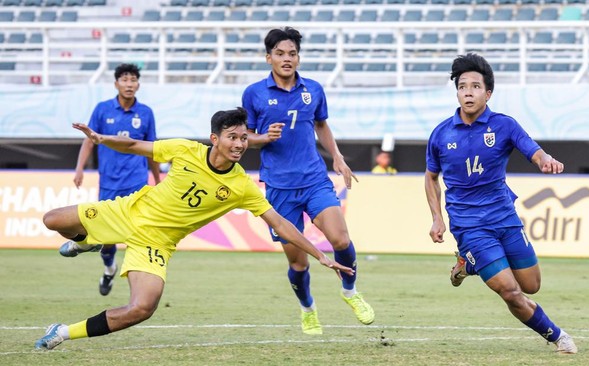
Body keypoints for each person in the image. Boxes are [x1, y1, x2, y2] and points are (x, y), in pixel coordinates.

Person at [34, 108, 353, 351]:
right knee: (54, 221)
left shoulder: (242, 185)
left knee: (142, 308)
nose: (240, 144)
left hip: (156, 243)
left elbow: (281, 223)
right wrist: (101, 139)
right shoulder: (186, 150)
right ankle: (87, 242)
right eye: (233, 137)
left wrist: (320, 255)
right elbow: (134, 143)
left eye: (244, 138)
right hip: (127, 212)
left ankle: (61, 331)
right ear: (215, 138)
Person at [424, 53, 578, 354]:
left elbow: (533, 150)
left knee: (531, 285)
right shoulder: (441, 134)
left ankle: (468, 265)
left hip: (505, 218)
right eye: (462, 86)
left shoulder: (504, 126)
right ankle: (558, 336)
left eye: (475, 86)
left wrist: (545, 160)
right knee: (510, 291)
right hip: (469, 225)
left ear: (488, 93)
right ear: (457, 92)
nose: (468, 92)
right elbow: (430, 178)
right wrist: (437, 218)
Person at [241, 27, 374, 335]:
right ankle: (307, 309)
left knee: (341, 239)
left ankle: (350, 291)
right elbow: (243, 137)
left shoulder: (312, 89)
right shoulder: (254, 94)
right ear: (268, 57)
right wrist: (262, 137)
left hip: (314, 180)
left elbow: (321, 125)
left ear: (298, 57)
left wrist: (338, 158)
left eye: (292, 53)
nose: (287, 59)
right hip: (278, 188)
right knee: (299, 263)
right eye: (280, 53)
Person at [69, 63, 161, 297]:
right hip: (109, 182)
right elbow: (89, 140)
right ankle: (109, 269)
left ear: (138, 85)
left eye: (133, 80)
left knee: (139, 232)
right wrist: (79, 168)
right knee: (107, 239)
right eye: (125, 80)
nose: (129, 84)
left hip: (137, 182)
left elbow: (152, 149)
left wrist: (158, 178)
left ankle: (140, 287)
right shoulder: (102, 109)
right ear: (116, 84)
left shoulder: (146, 113)